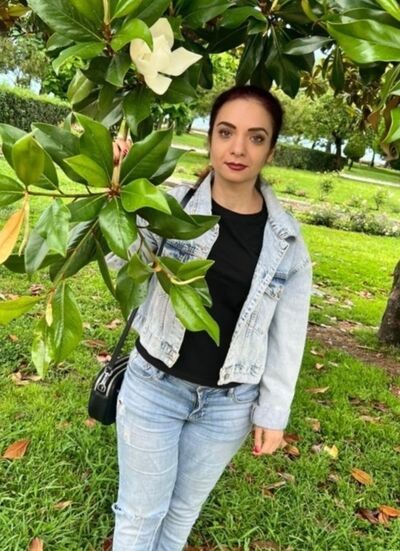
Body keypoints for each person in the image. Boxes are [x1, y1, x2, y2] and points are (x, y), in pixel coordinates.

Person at [111, 85, 312, 550]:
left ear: (271, 150)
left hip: (228, 406)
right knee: (140, 515)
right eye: (226, 132)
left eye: (256, 137)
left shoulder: (287, 241)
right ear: (210, 139)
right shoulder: (169, 208)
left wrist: (273, 413)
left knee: (182, 512)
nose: (238, 148)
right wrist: (116, 189)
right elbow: (123, 263)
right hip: (155, 387)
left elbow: (287, 337)